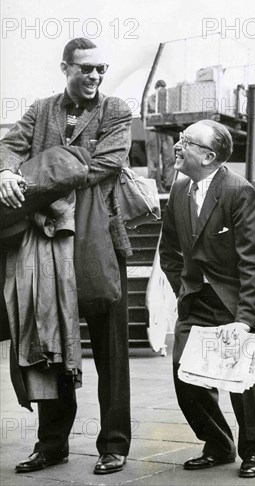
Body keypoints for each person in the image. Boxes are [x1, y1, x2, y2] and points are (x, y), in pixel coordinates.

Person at [0, 37, 132, 475]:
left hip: (96, 241)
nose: (95, 76)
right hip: (47, 246)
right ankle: (51, 443)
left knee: (112, 347)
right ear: (65, 68)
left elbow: (103, 164)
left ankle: (113, 443)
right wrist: (5, 170)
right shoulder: (41, 109)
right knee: (48, 338)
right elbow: (9, 146)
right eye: (86, 69)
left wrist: (34, 179)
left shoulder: (115, 110)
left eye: (101, 69)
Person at [159, 120, 255, 478]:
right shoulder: (179, 190)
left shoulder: (239, 191)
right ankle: (218, 444)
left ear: (209, 156)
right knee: (186, 374)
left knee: (249, 380)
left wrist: (244, 320)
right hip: (197, 299)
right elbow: (169, 252)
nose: (177, 147)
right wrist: (185, 287)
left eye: (186, 142)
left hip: (239, 299)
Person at [144, 79, 175, 193]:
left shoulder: (169, 99)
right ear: (156, 88)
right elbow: (145, 115)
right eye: (160, 88)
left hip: (166, 129)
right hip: (153, 129)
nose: (162, 90)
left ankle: (168, 184)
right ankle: (154, 185)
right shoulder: (149, 99)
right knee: (154, 159)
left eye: (163, 88)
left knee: (169, 157)